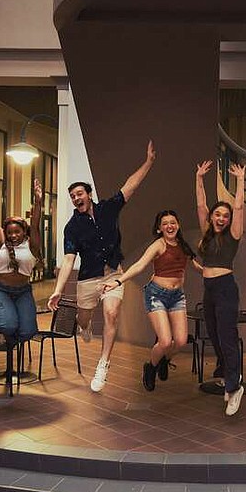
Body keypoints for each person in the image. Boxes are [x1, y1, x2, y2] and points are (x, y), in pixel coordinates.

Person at [48, 140, 155, 392]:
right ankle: (83, 325)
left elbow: (131, 185)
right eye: (72, 197)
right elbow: (68, 260)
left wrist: (149, 162)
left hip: (113, 274)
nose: (76, 198)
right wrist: (58, 289)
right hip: (87, 279)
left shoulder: (108, 208)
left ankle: (103, 365)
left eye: (79, 194)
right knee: (84, 319)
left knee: (111, 314)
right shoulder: (72, 227)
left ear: (89, 194)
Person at [102, 210, 201, 391]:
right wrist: (118, 281)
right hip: (156, 295)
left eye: (173, 222)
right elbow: (140, 265)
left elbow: (195, 266)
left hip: (177, 296)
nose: (169, 226)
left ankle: (164, 359)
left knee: (180, 341)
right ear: (159, 228)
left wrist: (215, 274)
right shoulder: (159, 245)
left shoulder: (183, 246)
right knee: (164, 341)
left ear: (178, 225)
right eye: (165, 224)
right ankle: (151, 367)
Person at [195, 160, 246, 416]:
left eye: (225, 216)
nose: (222, 218)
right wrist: (199, 179)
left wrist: (239, 181)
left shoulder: (233, 235)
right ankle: (229, 376)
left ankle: (234, 386)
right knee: (214, 336)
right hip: (209, 288)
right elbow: (201, 205)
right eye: (218, 214)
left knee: (227, 337)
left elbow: (238, 206)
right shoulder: (207, 233)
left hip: (226, 288)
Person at [0, 176, 44, 376]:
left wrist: (38, 200)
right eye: (10, 232)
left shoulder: (32, 245)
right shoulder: (1, 242)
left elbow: (35, 221)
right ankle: (0, 325)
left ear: (24, 233)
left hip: (23, 291)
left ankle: (6, 329)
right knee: (7, 325)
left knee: (27, 332)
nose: (13, 235)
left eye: (17, 232)